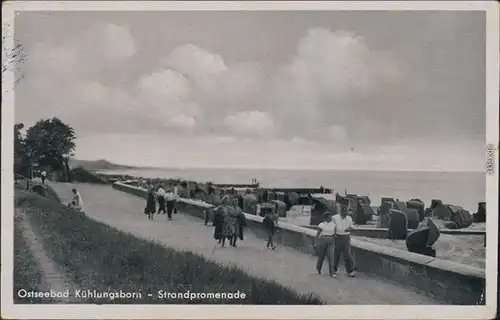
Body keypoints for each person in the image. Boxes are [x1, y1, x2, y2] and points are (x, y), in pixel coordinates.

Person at [332, 206, 356, 277]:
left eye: (346, 212)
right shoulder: (335, 218)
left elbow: (352, 227)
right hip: (338, 236)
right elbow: (332, 227)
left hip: (346, 237)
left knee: (347, 254)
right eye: (344, 212)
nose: (345, 214)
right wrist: (334, 234)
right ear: (341, 211)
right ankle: (334, 270)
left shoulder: (349, 218)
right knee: (336, 254)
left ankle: (350, 270)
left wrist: (349, 229)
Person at [315, 212, 336, 276]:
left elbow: (335, 233)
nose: (331, 218)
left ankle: (332, 272)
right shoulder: (322, 224)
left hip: (331, 240)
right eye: (330, 216)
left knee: (331, 257)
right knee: (321, 256)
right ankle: (319, 268)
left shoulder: (334, 224)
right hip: (323, 239)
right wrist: (316, 243)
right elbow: (318, 234)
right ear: (326, 217)